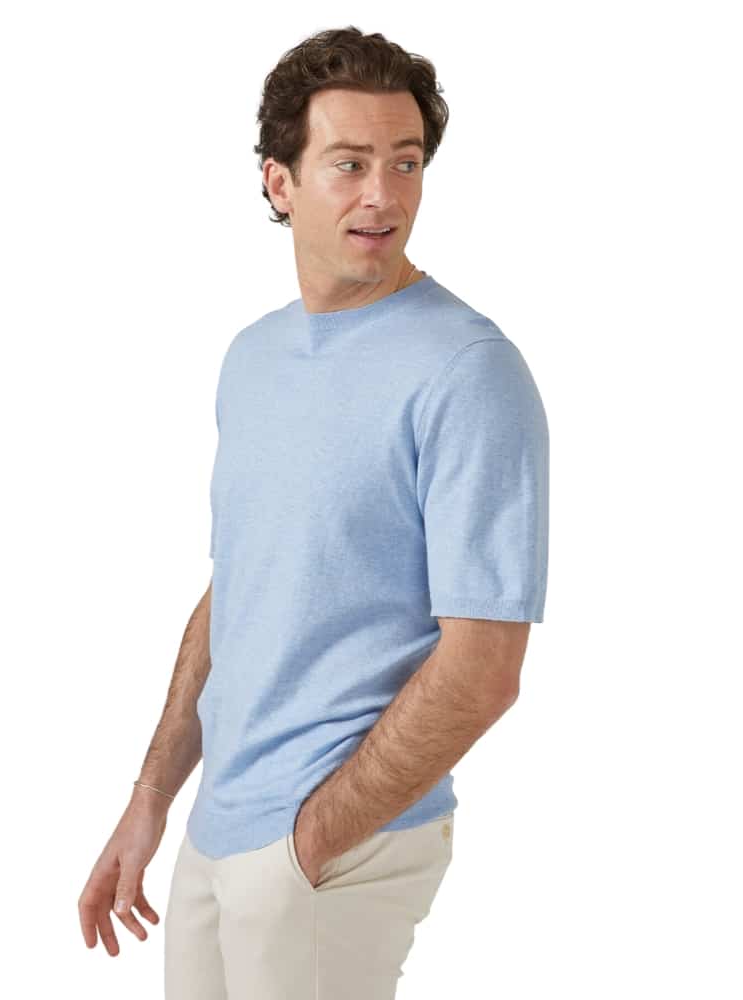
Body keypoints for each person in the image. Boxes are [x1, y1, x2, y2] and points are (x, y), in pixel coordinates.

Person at [78, 25, 549, 999]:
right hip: (218, 832)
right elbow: (238, 591)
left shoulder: (468, 371)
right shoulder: (253, 358)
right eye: (349, 163)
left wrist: (312, 841)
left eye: (405, 162)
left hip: (333, 851)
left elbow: (483, 668)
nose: (384, 194)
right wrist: (151, 801)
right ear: (279, 182)